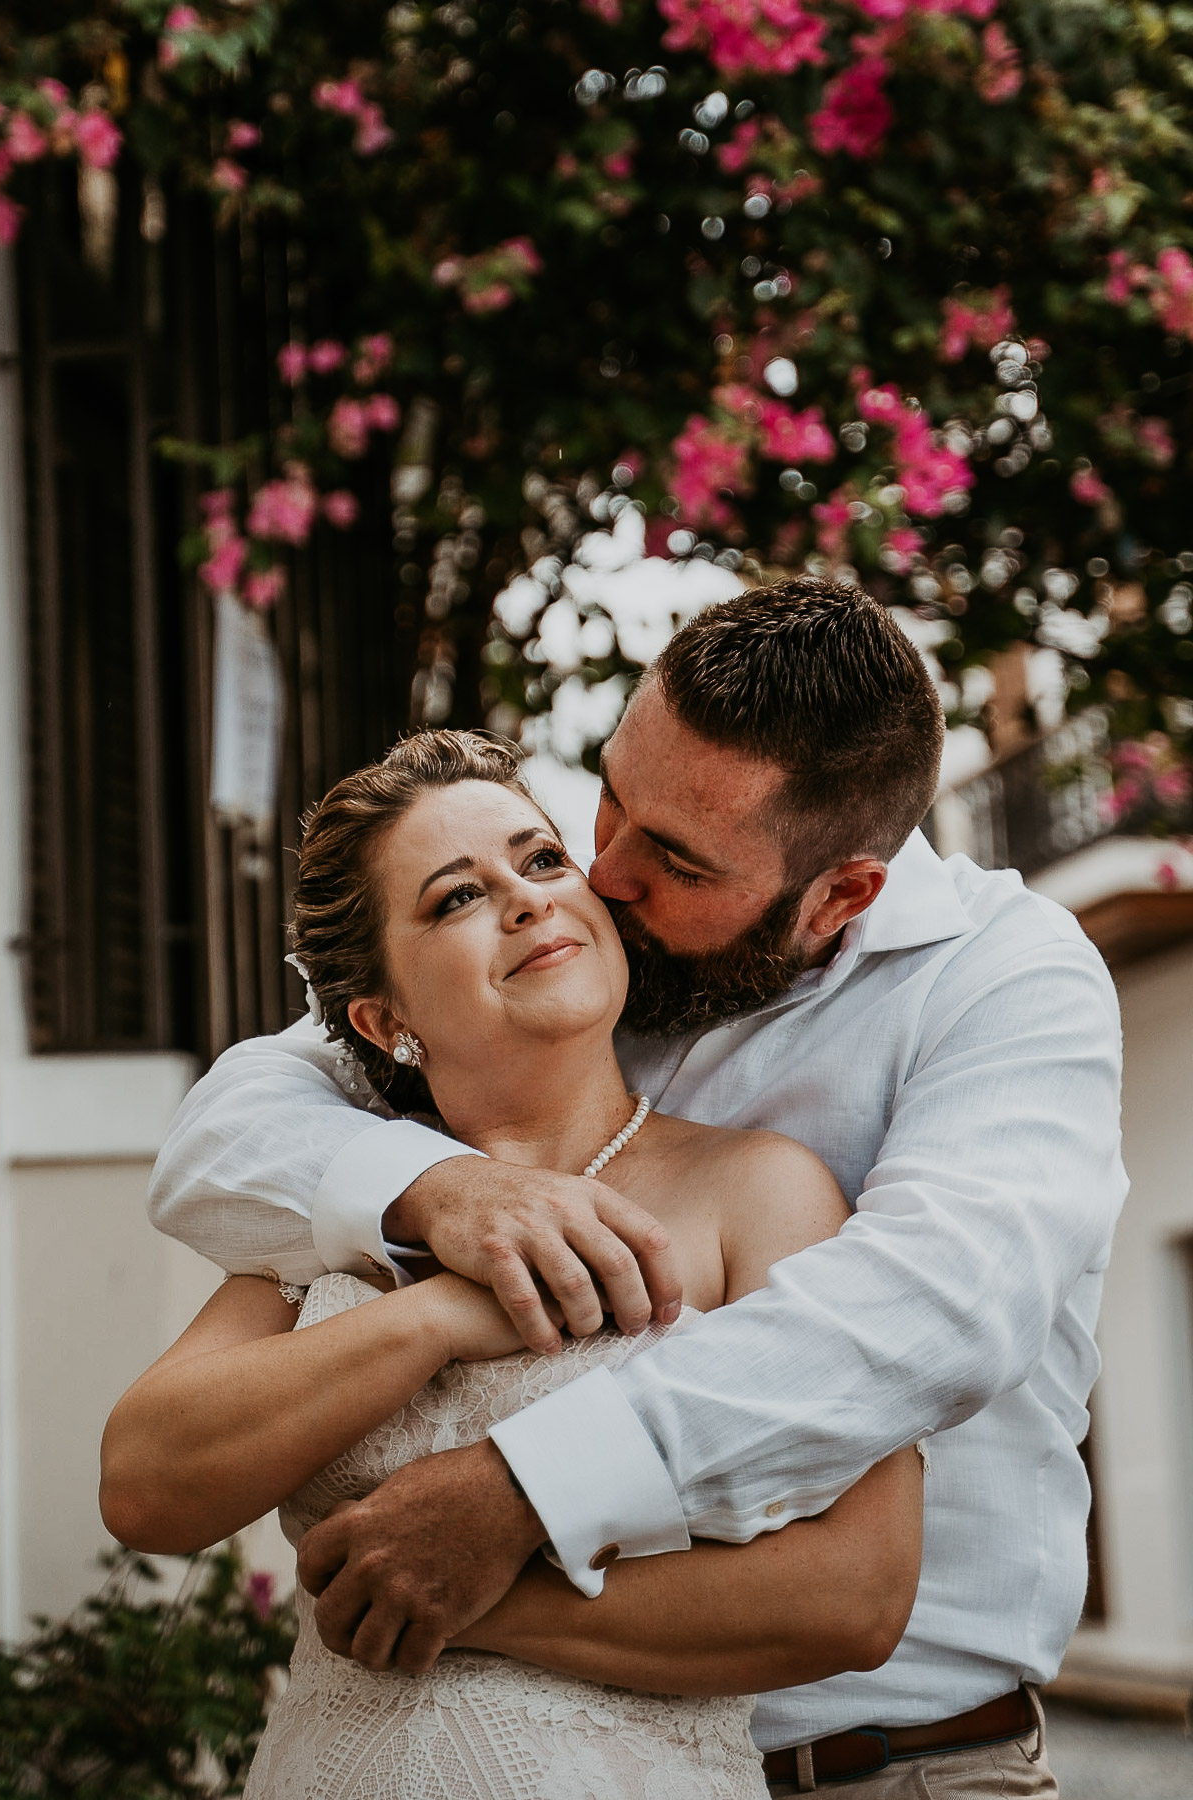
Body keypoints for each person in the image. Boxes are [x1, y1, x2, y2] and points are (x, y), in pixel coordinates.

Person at [148, 578, 1127, 1796]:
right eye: (606, 801)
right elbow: (225, 1132)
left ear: (839, 894)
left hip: (895, 1764)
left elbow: (927, 1313)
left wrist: (516, 1499)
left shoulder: (1003, 987)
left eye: (670, 855)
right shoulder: (587, 962)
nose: (601, 874)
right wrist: (439, 1195)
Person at [103, 731, 923, 1800]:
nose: (528, 899)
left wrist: (460, 1587)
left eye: (542, 861)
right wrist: (437, 1316)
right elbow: (145, 1487)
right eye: (456, 898)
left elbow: (852, 1595)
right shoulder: (337, 1202)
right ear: (385, 1020)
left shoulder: (757, 1190)